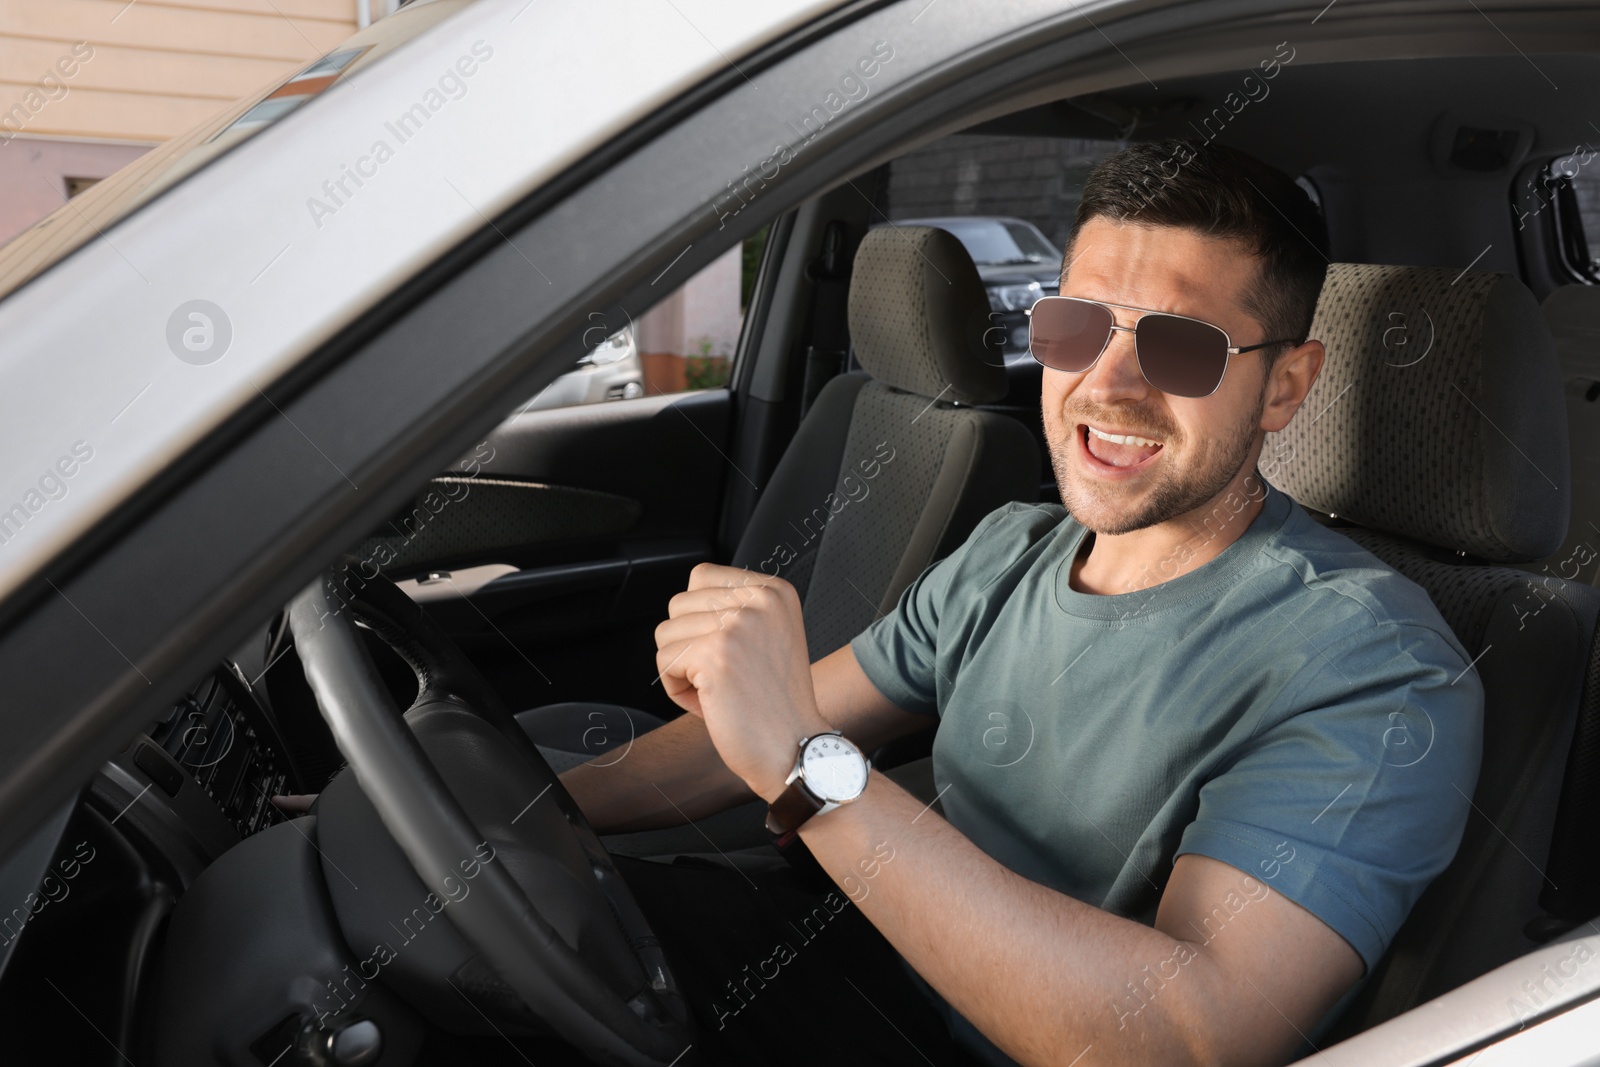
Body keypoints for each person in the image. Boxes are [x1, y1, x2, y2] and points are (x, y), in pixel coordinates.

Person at [554, 139, 1483, 1067]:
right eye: (1076, 328)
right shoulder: (1014, 547)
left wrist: (810, 768)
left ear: (1285, 385)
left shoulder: (1379, 669)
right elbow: (754, 736)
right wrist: (538, 810)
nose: (1107, 386)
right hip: (826, 946)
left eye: (1179, 347)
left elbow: (1191, 1038)